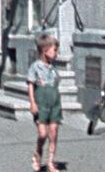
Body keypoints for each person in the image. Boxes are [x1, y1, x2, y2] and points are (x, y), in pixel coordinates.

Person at [26, 33, 62, 172]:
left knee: (53, 133)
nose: (57, 53)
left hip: (54, 104)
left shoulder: (53, 69)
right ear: (45, 50)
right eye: (55, 50)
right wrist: (32, 103)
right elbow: (30, 85)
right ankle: (37, 153)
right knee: (42, 134)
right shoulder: (35, 67)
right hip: (41, 105)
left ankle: (50, 162)